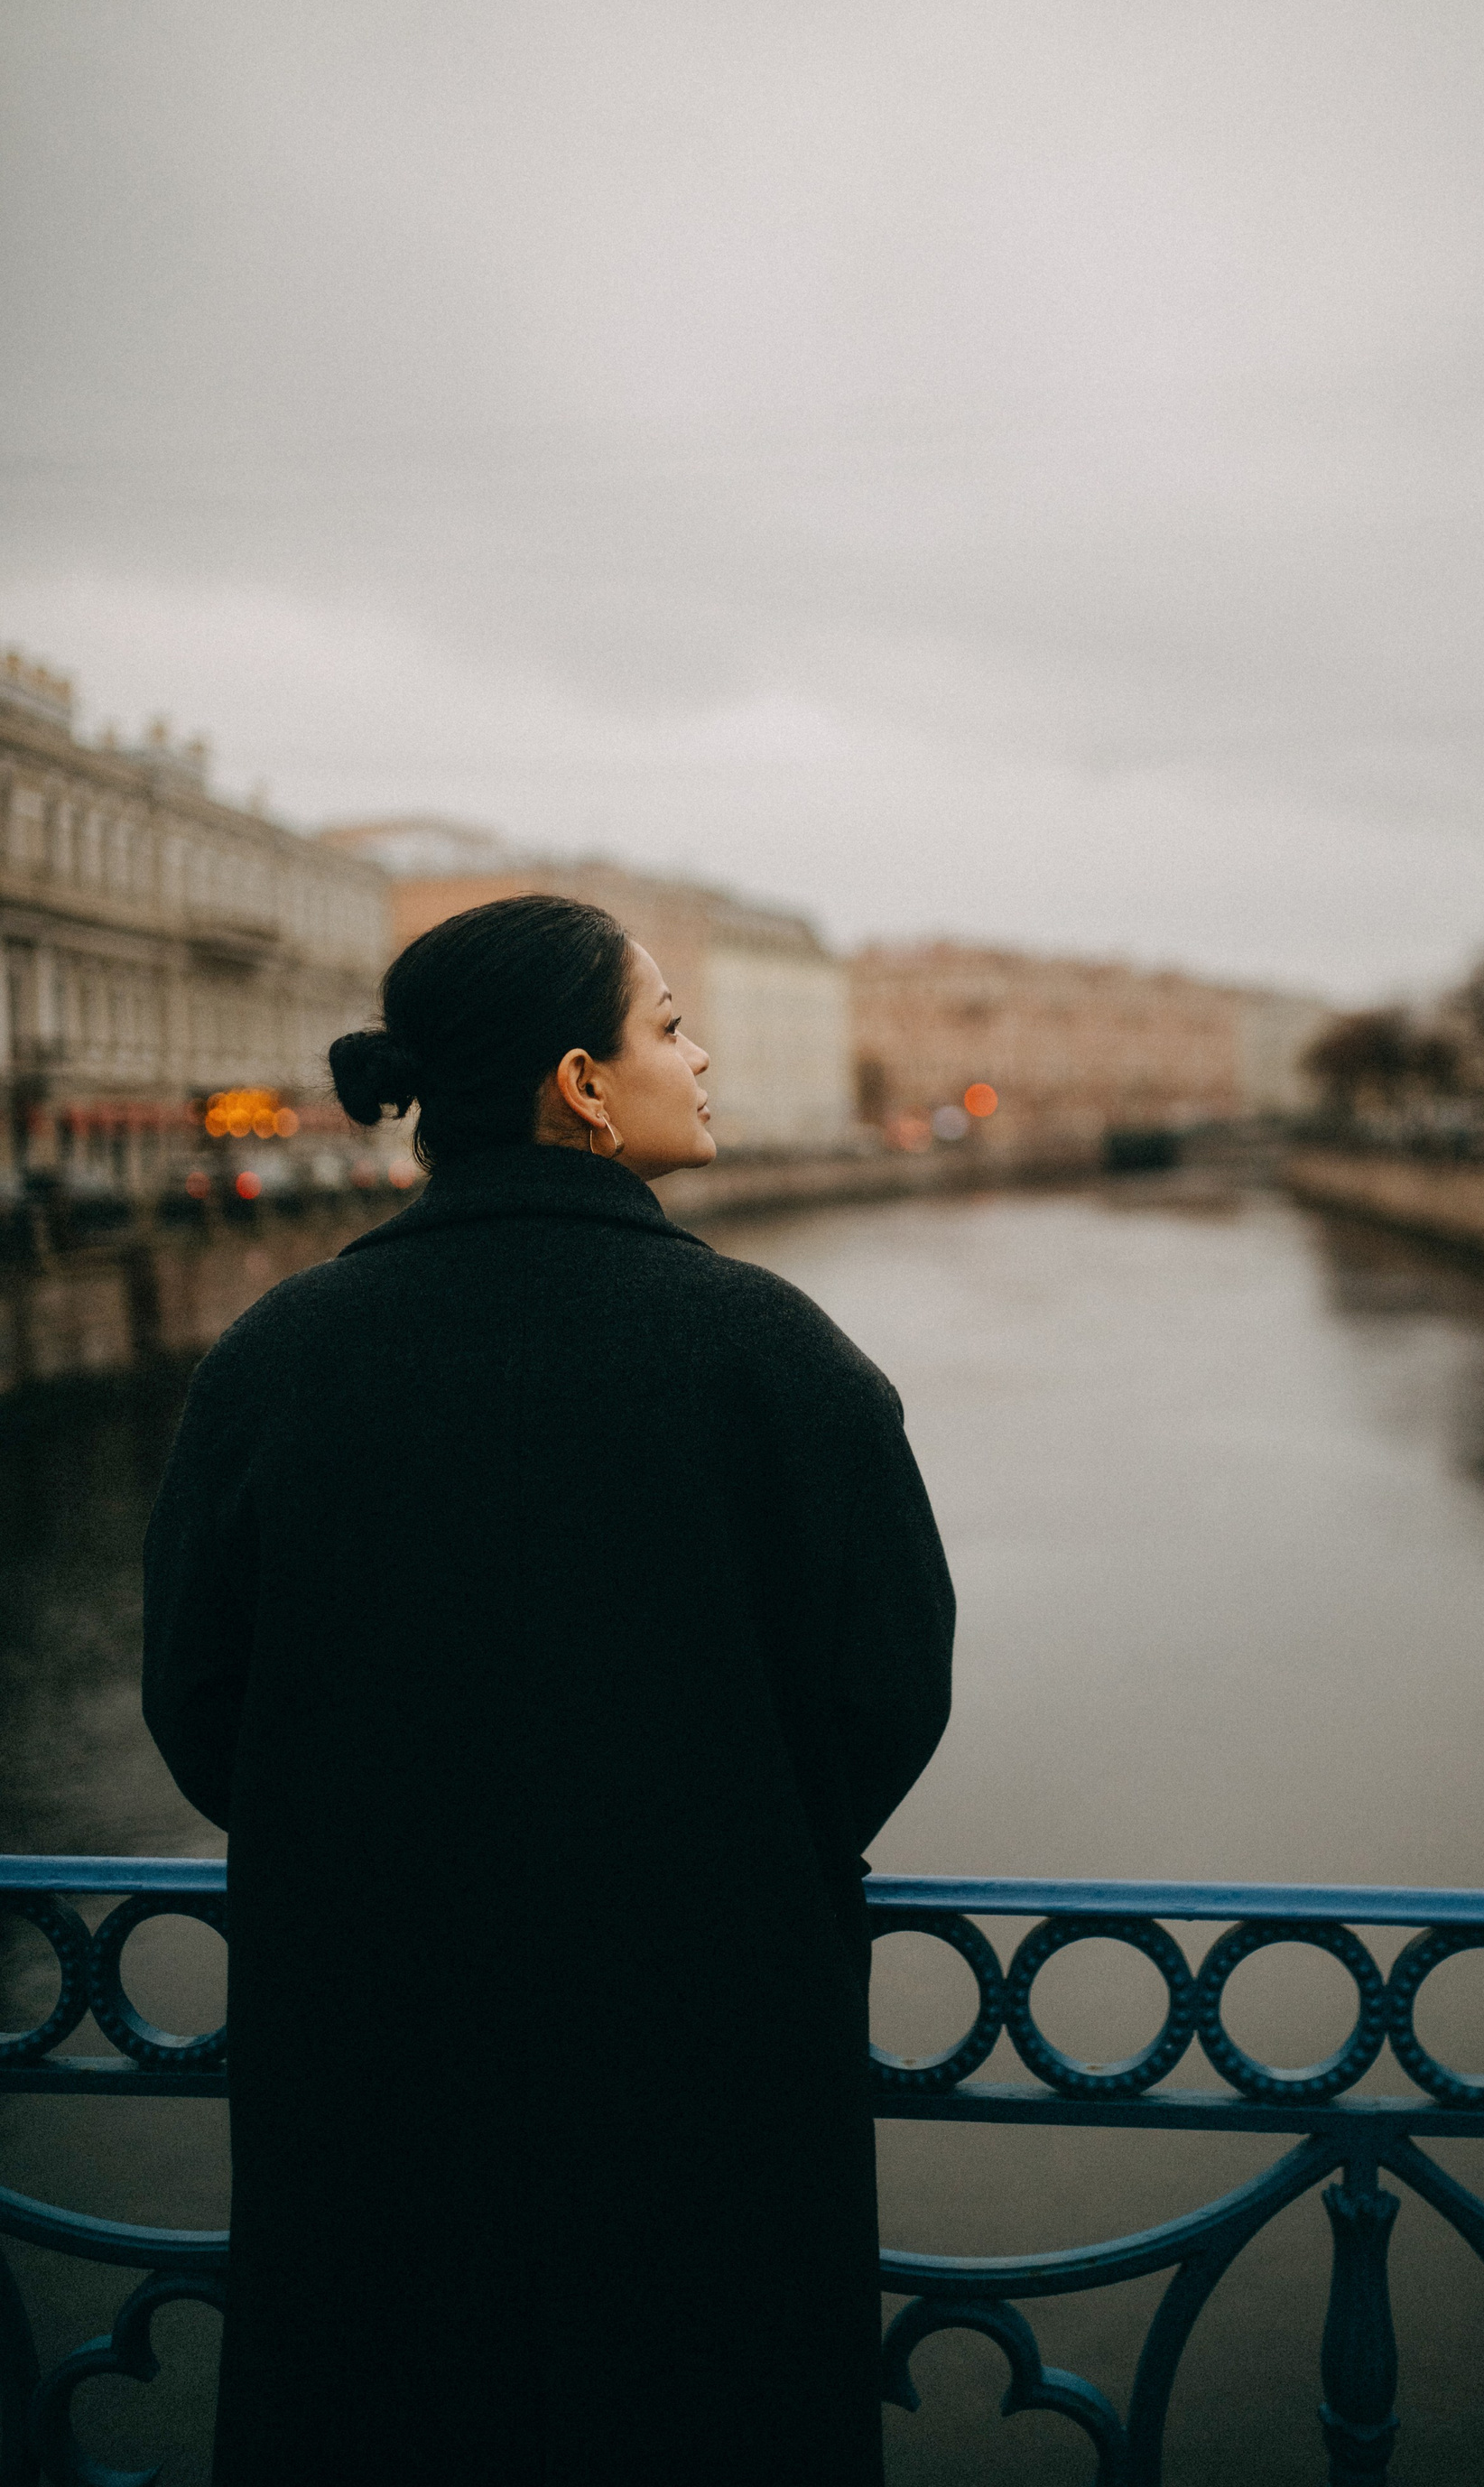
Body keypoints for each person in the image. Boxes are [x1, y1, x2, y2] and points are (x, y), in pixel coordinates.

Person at [142, 895, 955, 2485]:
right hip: (711, 2058)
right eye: (671, 1026)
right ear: (582, 1084)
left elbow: (197, 1697)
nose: (700, 1059)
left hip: (367, 2062)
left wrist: (366, 1847)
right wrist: (732, 1848)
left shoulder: (275, 1354)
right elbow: (889, 1691)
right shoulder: (774, 1352)